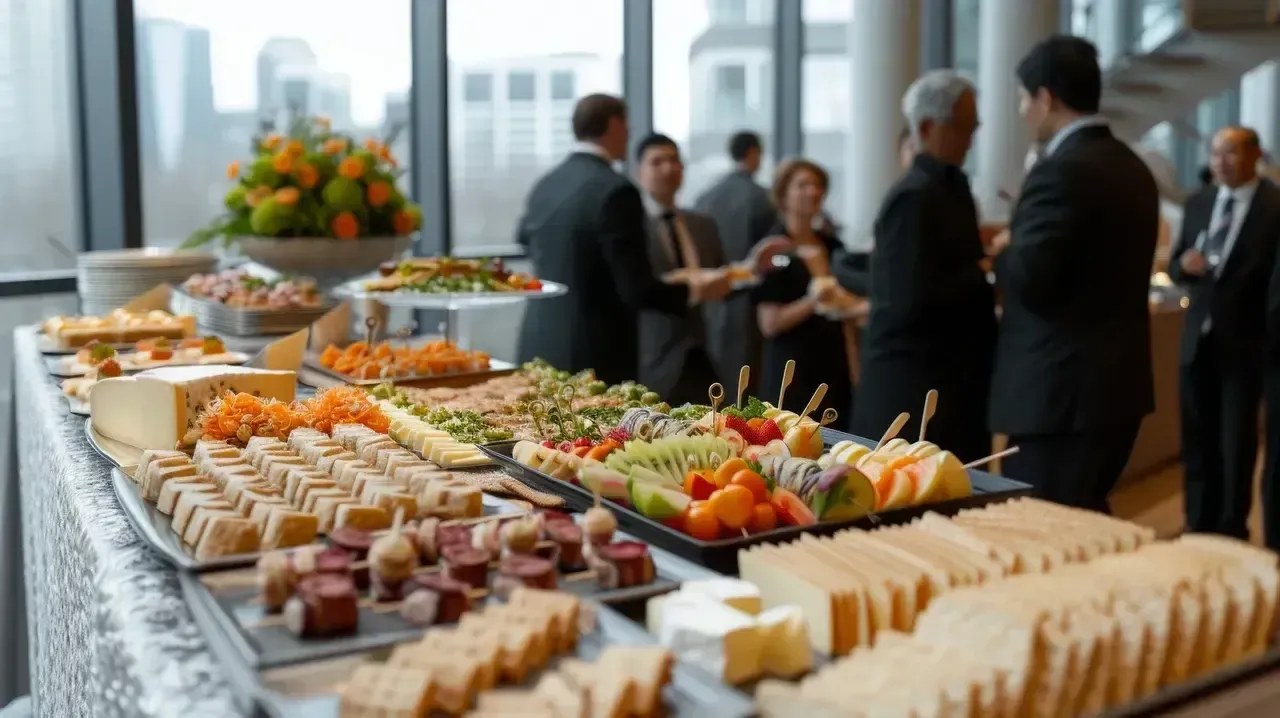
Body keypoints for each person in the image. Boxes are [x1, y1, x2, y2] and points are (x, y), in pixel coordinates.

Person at [987, 36, 1158, 513]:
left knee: (1046, 535)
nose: (1023, 112)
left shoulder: (1060, 171)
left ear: (1046, 98)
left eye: (1024, 99)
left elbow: (1032, 279)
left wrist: (1005, 248)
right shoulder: (1132, 166)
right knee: (1084, 525)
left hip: (1060, 398)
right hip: (1114, 390)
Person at [516, 94, 733, 384]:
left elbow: (523, 238)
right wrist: (694, 290)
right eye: (626, 125)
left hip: (539, 343)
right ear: (615, 124)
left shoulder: (546, 184)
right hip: (594, 354)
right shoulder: (617, 190)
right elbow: (635, 288)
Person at [853, 70, 995, 464]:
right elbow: (905, 299)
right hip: (916, 385)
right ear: (929, 127)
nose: (972, 136)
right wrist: (985, 271)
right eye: (964, 126)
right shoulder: (912, 197)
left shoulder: (954, 186)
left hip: (953, 378)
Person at [1174, 127, 1280, 540]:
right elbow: (1181, 260)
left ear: (1255, 155)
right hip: (1197, 341)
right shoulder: (1199, 202)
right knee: (1197, 441)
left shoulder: (1274, 206)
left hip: (1249, 344)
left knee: (1235, 444)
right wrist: (1186, 264)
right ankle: (1197, 525)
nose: (1220, 161)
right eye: (1215, 153)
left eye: (1231, 152)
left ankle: (1230, 528)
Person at [752, 159, 857, 424]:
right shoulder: (773, 250)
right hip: (792, 371)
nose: (814, 191)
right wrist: (815, 300)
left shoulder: (833, 246)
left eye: (818, 185)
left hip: (833, 366)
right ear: (783, 194)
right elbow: (770, 323)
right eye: (803, 185)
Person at [633, 133, 728, 404]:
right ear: (639, 172)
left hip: (700, 347)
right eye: (657, 162)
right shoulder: (631, 229)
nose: (668, 168)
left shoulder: (702, 224)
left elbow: (722, 275)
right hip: (651, 351)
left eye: (675, 160)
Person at [694, 131, 777, 393]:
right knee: (747, 383)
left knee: (715, 385)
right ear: (753, 153)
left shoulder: (704, 197)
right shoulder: (764, 198)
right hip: (751, 305)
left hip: (710, 299)